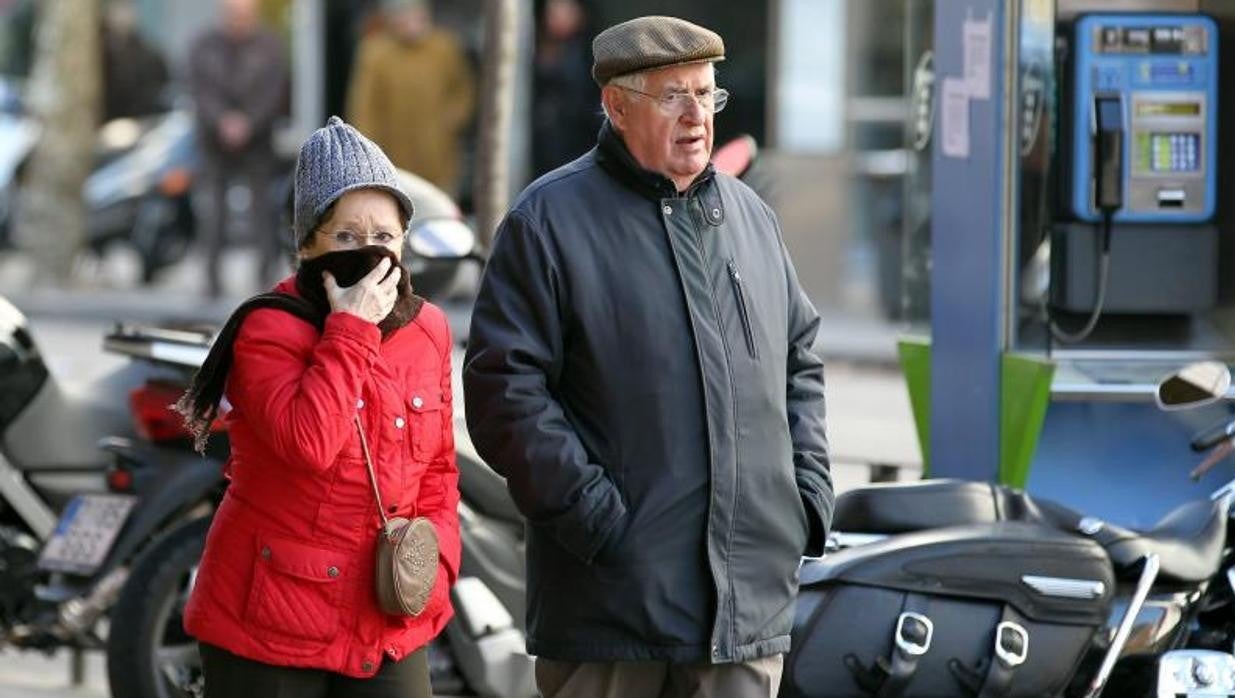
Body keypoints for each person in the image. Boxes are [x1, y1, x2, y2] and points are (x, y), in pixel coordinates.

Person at [463, 15, 834, 698]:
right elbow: (502, 391)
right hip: (613, 614)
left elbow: (800, 360)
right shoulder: (549, 221)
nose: (697, 116)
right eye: (674, 96)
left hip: (745, 618)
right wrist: (596, 518)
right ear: (617, 104)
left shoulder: (751, 217)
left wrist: (804, 497)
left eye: (707, 94)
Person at [181, 116, 460, 698]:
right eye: (347, 238)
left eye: (384, 238)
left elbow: (437, 470)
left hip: (383, 611)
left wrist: (437, 570)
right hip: (269, 615)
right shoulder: (267, 328)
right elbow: (309, 443)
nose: (370, 254)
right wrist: (350, 328)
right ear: (308, 245)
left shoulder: (428, 328)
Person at [187, 0, 287, 297]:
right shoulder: (203, 46)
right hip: (213, 141)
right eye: (233, 14)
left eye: (244, 15)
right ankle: (211, 280)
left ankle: (266, 276)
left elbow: (275, 90)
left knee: (263, 211)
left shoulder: (270, 46)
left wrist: (248, 123)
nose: (238, 21)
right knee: (212, 211)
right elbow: (197, 89)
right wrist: (221, 121)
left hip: (257, 142)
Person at [346, 0, 474, 197]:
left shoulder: (444, 48)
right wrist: (367, 151)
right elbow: (364, 107)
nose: (410, 22)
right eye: (402, 16)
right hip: (392, 158)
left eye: (415, 15)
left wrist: (452, 120)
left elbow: (463, 89)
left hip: (438, 156)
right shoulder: (375, 53)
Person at [530, 0, 599, 179]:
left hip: (577, 139)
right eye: (552, 11)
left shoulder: (590, 53)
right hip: (541, 143)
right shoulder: (533, 47)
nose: (558, 17)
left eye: (565, 9)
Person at [99, 0, 169, 122]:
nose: (122, 16)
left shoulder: (148, 53)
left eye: (127, 8)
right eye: (117, 8)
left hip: (138, 120)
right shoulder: (98, 49)